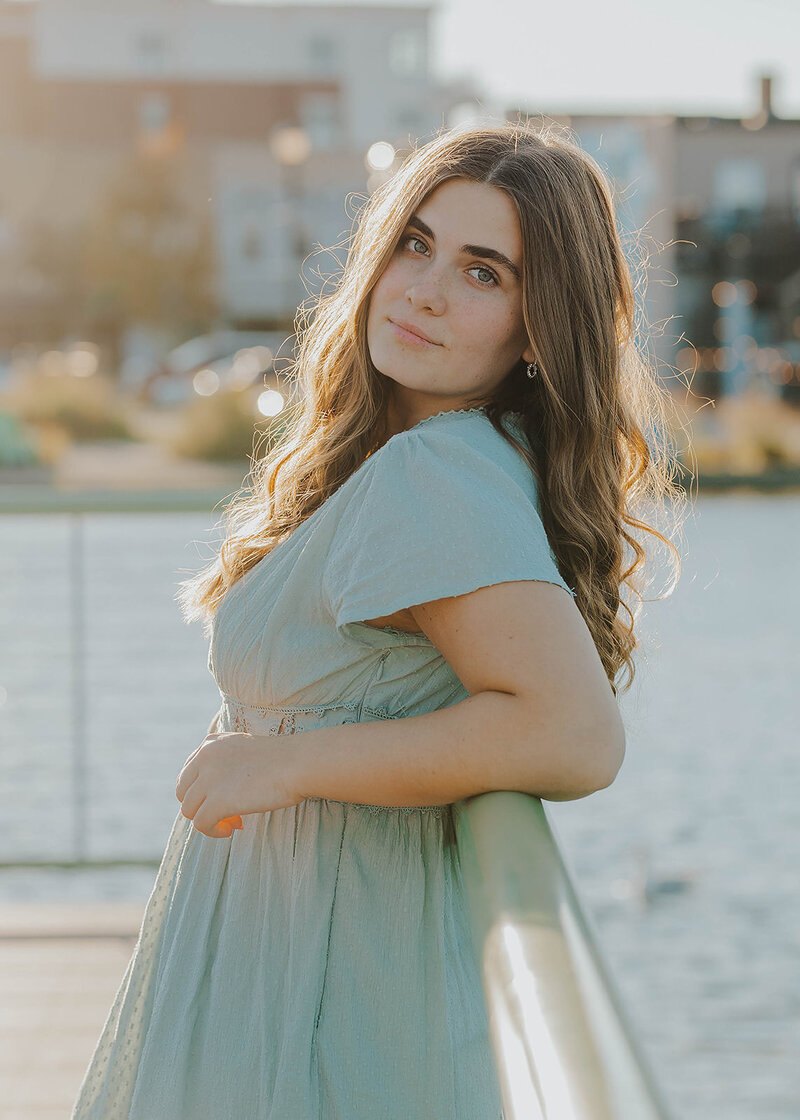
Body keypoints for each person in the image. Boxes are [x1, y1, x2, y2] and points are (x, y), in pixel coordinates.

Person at [71, 120, 683, 1119]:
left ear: (537, 326)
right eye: (414, 242)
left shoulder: (434, 472)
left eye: (483, 274)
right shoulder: (445, 457)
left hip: (316, 973)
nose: (425, 289)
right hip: (298, 943)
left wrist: (283, 762)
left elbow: (573, 734)